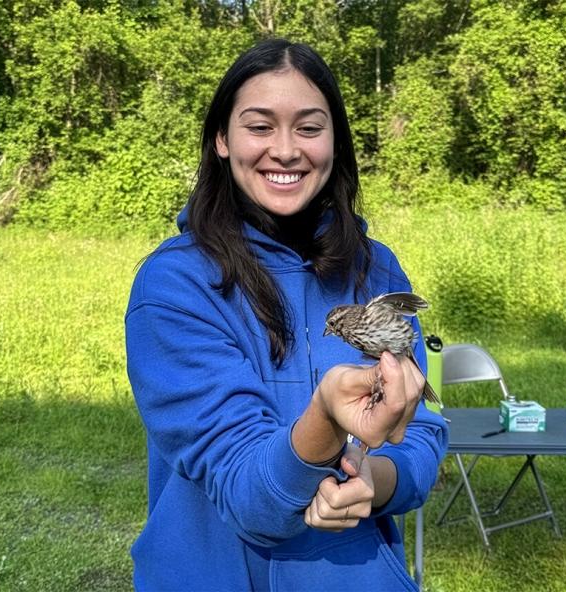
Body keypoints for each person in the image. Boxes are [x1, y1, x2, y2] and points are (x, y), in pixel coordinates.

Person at [125, 38, 448, 591]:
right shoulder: (174, 285)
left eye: (308, 127)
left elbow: (422, 432)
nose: (286, 149)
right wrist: (324, 420)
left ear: (335, 143)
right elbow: (250, 498)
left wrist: (377, 480)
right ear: (222, 140)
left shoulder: (377, 270)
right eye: (259, 126)